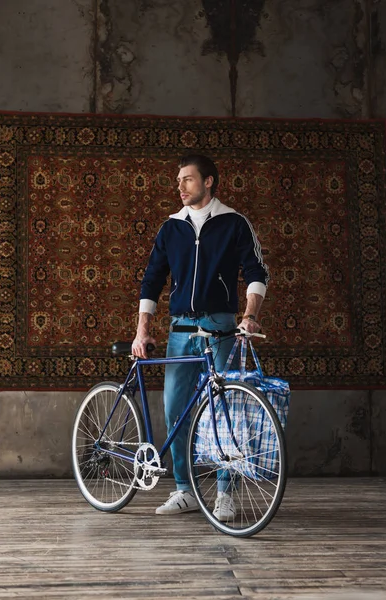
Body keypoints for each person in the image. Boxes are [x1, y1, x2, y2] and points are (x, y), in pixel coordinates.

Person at [131, 154, 269, 520]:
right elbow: (152, 281)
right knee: (175, 411)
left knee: (225, 411)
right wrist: (142, 329)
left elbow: (257, 271)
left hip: (221, 329)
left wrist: (250, 316)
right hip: (180, 331)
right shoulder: (171, 228)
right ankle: (184, 491)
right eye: (178, 180)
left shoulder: (234, 223)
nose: (180, 186)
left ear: (209, 182)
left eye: (188, 179)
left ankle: (226, 493)